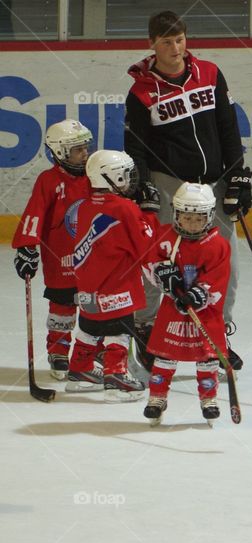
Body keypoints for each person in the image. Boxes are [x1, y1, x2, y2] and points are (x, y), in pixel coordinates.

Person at [124, 10, 251, 373]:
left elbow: (227, 128)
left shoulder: (210, 74)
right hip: (168, 184)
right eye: (166, 42)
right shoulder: (142, 92)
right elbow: (136, 146)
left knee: (226, 263)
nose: (175, 48)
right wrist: (142, 183)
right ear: (152, 45)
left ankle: (218, 330)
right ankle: (147, 327)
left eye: (179, 39)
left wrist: (238, 175)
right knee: (159, 260)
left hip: (214, 184)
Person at [70, 150, 157, 401]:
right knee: (119, 331)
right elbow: (145, 245)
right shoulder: (124, 208)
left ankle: (80, 370)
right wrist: (149, 212)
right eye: (127, 175)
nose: (132, 180)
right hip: (116, 288)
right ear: (114, 178)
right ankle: (116, 378)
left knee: (88, 330)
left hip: (87, 288)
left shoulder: (86, 205)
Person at [143, 183, 230, 426]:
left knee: (208, 357)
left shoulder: (218, 245)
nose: (191, 223)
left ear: (210, 217)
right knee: (165, 356)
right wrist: (162, 274)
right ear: (176, 214)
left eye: (198, 219)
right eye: (186, 217)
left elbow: (217, 279)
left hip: (206, 314)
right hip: (172, 310)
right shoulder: (165, 237)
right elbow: (149, 262)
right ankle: (157, 397)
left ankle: (208, 399)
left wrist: (197, 295)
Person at [12, 119, 93, 379]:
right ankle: (59, 350)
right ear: (60, 152)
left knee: (94, 305)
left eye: (85, 147)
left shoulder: (95, 175)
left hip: (93, 256)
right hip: (61, 258)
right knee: (63, 305)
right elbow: (33, 214)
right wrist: (27, 248)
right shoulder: (48, 180)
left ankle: (93, 351)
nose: (85, 153)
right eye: (78, 149)